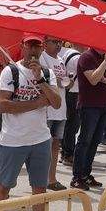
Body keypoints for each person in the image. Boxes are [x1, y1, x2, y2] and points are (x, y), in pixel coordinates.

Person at [0, 35, 61, 211]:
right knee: (3, 187)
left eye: (36, 46)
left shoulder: (47, 74)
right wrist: (38, 103)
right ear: (22, 47)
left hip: (40, 139)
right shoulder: (11, 71)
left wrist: (40, 80)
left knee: (39, 189)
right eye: (29, 45)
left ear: (41, 49)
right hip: (13, 140)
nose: (33, 50)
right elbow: (3, 105)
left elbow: (56, 103)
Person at [70, 46, 106, 190]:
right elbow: (93, 80)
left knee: (94, 142)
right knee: (84, 141)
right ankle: (77, 177)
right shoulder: (87, 57)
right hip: (89, 105)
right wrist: (104, 64)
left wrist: (103, 78)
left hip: (104, 105)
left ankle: (86, 174)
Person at [40, 37, 71, 190]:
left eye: (60, 41)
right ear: (45, 43)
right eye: (54, 41)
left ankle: (51, 178)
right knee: (45, 145)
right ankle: (41, 179)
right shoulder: (42, 57)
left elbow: (66, 82)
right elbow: (53, 80)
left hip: (60, 109)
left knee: (55, 144)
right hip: (47, 110)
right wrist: (63, 80)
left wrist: (64, 80)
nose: (58, 44)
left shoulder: (60, 59)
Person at [57, 41, 83, 167]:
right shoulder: (78, 57)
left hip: (68, 92)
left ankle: (65, 152)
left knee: (68, 124)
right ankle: (68, 153)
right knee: (73, 126)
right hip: (75, 93)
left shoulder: (66, 53)